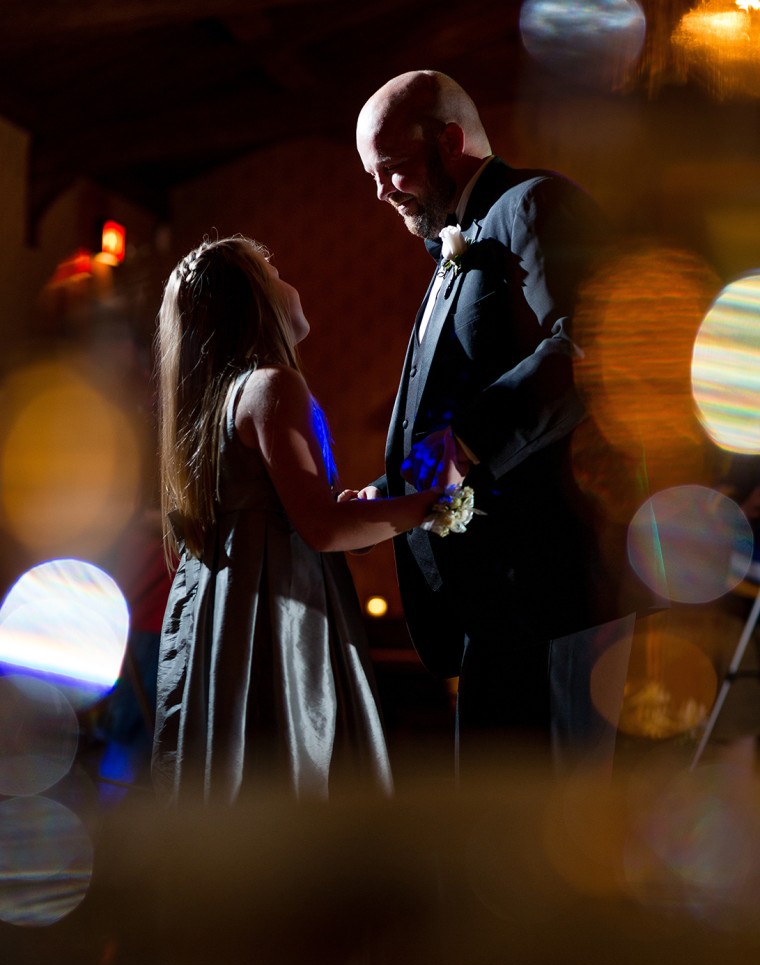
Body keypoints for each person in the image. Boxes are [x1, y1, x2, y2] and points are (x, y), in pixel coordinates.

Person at [355, 70, 640, 774]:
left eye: (390, 169)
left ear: (450, 141)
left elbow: (596, 344)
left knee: (559, 838)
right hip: (496, 612)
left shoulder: (536, 203)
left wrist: (466, 441)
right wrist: (395, 483)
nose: (381, 192)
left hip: (554, 597)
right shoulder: (458, 248)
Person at [153, 234, 451, 803]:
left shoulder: (224, 398)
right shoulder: (273, 385)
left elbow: (299, 512)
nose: (290, 282)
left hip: (231, 610)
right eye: (275, 270)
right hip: (278, 607)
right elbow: (320, 530)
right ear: (254, 300)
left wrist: (345, 509)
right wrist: (432, 502)